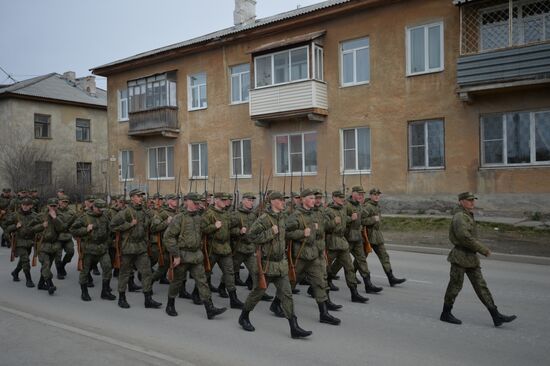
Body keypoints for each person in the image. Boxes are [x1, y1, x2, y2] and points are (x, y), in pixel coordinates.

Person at [238, 191, 312, 339]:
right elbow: (251, 236)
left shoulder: (283, 217)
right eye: (279, 200)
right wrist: (270, 233)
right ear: (272, 202)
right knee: (257, 293)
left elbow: (288, 234)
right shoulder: (264, 219)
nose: (283, 202)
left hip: (280, 264)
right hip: (266, 265)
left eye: (283, 200)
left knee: (287, 295)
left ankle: (294, 326)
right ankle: (244, 317)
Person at [440, 192, 517, 327]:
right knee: (455, 286)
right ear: (461, 201)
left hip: (471, 257)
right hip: (460, 256)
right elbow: (464, 237)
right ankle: (445, 313)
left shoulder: (467, 215)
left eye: (473, 200)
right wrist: (483, 249)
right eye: (469, 200)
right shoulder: (459, 217)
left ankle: (496, 315)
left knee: (481, 286)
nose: (472, 203)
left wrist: (478, 250)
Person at [163, 192, 227, 319]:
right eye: (196, 203)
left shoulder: (199, 217)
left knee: (202, 281)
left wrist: (214, 227)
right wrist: (175, 255)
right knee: (177, 281)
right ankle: (170, 304)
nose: (198, 205)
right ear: (188, 202)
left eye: (199, 203)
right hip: (182, 255)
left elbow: (204, 230)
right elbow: (168, 237)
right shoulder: (179, 218)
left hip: (196, 255)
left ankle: (209, 308)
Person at [285, 188, 340, 326]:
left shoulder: (315, 214)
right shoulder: (296, 215)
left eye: (314, 198)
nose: (313, 200)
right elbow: (286, 233)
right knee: (291, 282)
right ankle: (276, 303)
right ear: (303, 199)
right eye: (310, 198)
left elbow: (322, 230)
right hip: (300, 256)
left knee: (320, 282)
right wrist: (302, 233)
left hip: (314, 254)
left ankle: (324, 313)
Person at [110, 189, 162, 309]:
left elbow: (150, 224)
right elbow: (112, 226)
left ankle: (148, 299)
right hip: (128, 247)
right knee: (124, 273)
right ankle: (122, 298)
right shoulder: (125, 212)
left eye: (141, 196)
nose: (141, 198)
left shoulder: (144, 211)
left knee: (147, 272)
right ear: (132, 197)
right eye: (138, 196)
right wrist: (129, 225)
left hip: (141, 247)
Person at [201, 192, 244, 309]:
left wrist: (239, 232)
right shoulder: (208, 214)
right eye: (223, 200)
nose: (226, 202)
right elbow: (203, 230)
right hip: (212, 248)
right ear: (216, 201)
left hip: (225, 248)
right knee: (206, 273)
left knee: (229, 273)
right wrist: (214, 226)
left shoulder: (226, 214)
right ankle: (197, 293)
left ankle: (233, 299)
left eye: (226, 200)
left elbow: (230, 229)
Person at [325, 190, 369, 303]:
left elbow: (346, 220)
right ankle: (320, 289)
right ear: (334, 198)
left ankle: (354, 293)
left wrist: (353, 218)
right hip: (331, 244)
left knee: (349, 267)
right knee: (325, 268)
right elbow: (323, 227)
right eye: (339, 197)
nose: (342, 199)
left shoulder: (343, 209)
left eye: (342, 197)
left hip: (343, 242)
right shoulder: (328, 211)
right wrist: (333, 222)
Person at [71, 199, 116, 302]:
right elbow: (73, 230)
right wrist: (85, 229)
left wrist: (107, 242)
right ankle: (84, 292)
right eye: (99, 209)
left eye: (102, 209)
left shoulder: (104, 217)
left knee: (108, 267)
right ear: (94, 207)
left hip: (102, 248)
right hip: (88, 249)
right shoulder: (84, 217)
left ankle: (105, 291)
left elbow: (110, 231)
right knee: (85, 271)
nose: (101, 211)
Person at [363, 188, 406, 286]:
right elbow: (362, 221)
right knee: (361, 259)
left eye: (378, 194)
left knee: (384, 256)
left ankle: (391, 278)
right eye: (374, 194)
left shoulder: (377, 206)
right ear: (370, 196)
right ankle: (352, 275)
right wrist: (373, 219)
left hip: (377, 236)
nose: (377, 196)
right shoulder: (367, 207)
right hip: (368, 236)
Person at [5, 197, 44, 287]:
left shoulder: (34, 215)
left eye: (27, 205)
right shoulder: (15, 215)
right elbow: (7, 228)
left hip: (30, 241)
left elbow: (39, 226)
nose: (25, 207)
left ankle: (15, 272)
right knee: (25, 260)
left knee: (23, 260)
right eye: (23, 205)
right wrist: (15, 226)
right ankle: (28, 279)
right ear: (21, 205)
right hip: (19, 241)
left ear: (31, 206)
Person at [37, 198, 66, 295]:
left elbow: (62, 228)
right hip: (42, 244)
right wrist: (41, 226)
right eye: (51, 206)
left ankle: (41, 284)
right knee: (45, 264)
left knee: (47, 266)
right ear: (47, 206)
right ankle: (50, 285)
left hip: (54, 245)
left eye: (55, 206)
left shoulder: (60, 216)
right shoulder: (41, 216)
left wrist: (55, 218)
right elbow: (31, 229)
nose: (53, 207)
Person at [55, 195, 77, 279]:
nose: (64, 203)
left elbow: (75, 224)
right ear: (59, 202)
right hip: (57, 236)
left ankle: (62, 265)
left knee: (71, 252)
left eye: (66, 202)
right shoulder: (55, 211)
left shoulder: (72, 212)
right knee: (58, 255)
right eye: (62, 201)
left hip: (67, 236)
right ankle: (59, 271)